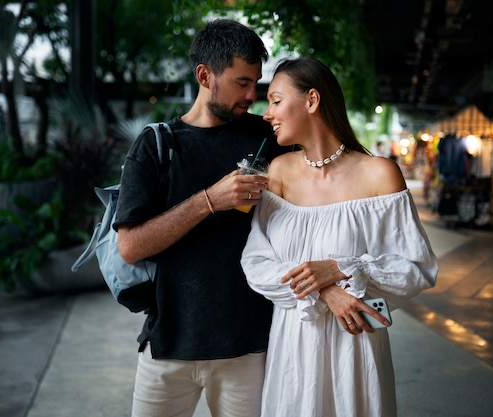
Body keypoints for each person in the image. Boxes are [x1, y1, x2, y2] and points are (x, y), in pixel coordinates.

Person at [240, 57, 439, 417]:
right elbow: (256, 263)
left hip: (356, 347)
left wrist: (341, 268)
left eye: (275, 100)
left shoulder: (380, 174)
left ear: (312, 100)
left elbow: (416, 268)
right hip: (295, 343)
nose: (266, 113)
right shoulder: (278, 172)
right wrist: (324, 289)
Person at [114, 19, 284, 417]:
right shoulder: (158, 145)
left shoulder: (267, 136)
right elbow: (130, 246)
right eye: (242, 82)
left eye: (256, 83)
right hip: (169, 345)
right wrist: (209, 200)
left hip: (250, 347)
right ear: (205, 75)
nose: (251, 95)